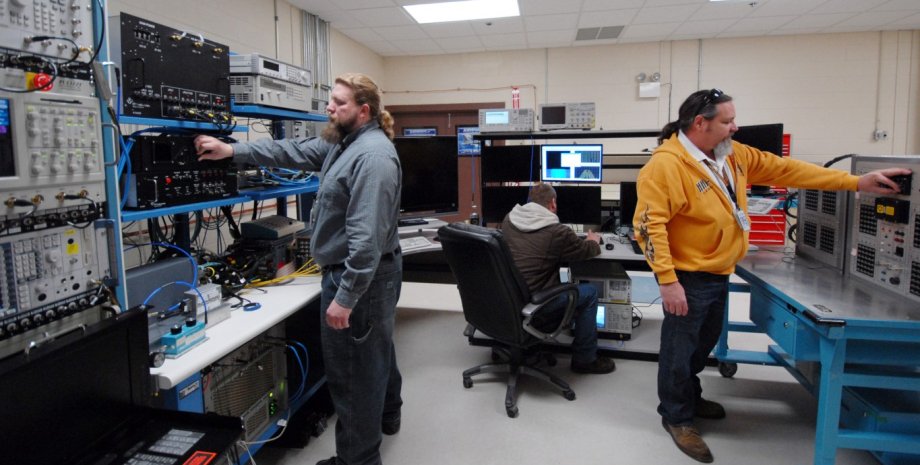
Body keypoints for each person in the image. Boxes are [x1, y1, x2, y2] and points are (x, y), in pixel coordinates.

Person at [634, 88, 911, 463]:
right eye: (728, 121)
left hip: (717, 272)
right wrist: (667, 281)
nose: (736, 126)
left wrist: (855, 183)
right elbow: (649, 227)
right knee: (679, 351)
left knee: (701, 345)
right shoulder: (666, 166)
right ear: (700, 123)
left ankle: (690, 396)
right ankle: (676, 417)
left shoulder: (731, 155)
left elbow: (787, 169)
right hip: (687, 277)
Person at [196, 73, 403, 465]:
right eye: (331, 100)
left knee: (354, 376)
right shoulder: (344, 143)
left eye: (339, 103)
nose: (329, 107)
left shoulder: (372, 157)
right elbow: (292, 149)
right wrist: (232, 150)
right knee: (376, 355)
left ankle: (358, 459)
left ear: (363, 111)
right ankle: (389, 415)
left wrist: (345, 298)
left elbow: (365, 243)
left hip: (359, 276)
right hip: (366, 274)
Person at [501, 183, 617, 374]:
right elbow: (586, 251)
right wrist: (593, 241)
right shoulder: (557, 232)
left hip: (508, 298)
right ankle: (585, 359)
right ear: (553, 203)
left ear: (530, 200)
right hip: (536, 302)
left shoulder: (509, 219)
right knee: (589, 294)